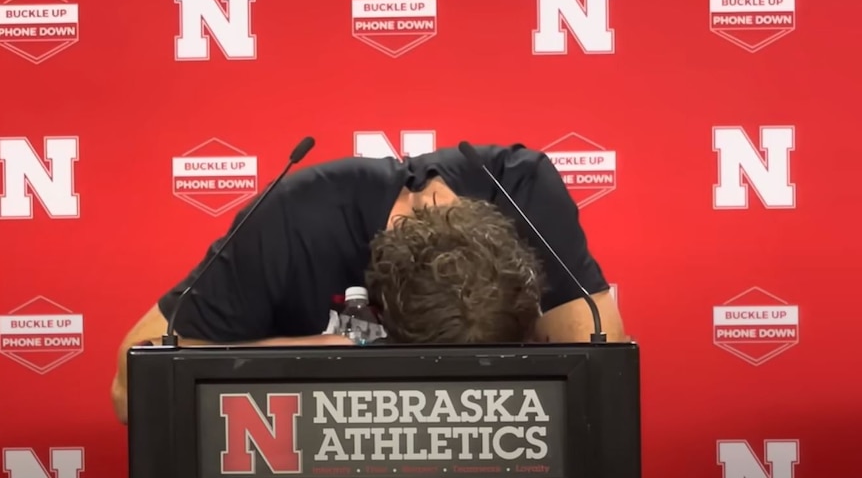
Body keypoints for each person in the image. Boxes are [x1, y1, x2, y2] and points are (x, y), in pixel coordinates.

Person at [110, 144, 626, 423]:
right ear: (380, 304)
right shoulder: (294, 218)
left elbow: (601, 398)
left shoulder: (525, 197)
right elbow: (130, 392)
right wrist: (297, 360)